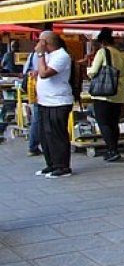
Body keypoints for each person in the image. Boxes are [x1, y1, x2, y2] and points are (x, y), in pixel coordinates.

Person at [33, 30, 74, 178]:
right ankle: (51, 164)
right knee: (45, 135)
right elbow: (40, 71)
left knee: (57, 135)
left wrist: (40, 54)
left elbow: (45, 74)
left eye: (39, 41)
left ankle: (62, 166)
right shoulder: (49, 55)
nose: (37, 44)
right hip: (45, 101)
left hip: (58, 101)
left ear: (46, 43)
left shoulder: (61, 56)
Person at [87, 28, 124, 162]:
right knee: (113, 123)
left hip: (103, 94)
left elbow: (93, 71)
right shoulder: (121, 55)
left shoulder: (102, 52)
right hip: (118, 94)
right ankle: (114, 148)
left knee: (103, 123)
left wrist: (89, 71)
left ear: (103, 42)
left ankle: (112, 150)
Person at [21, 50, 41, 156]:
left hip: (33, 89)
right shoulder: (41, 54)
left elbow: (25, 71)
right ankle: (33, 146)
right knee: (37, 117)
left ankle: (33, 146)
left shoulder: (33, 54)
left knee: (36, 117)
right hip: (39, 89)